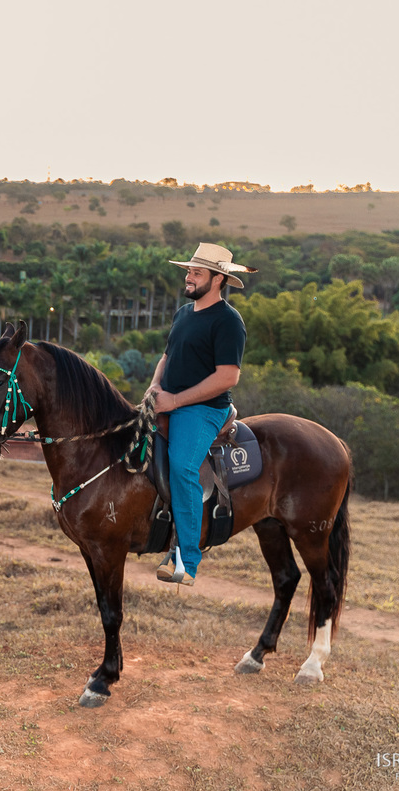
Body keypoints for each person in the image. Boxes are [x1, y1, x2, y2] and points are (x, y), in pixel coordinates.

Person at [146, 243, 254, 586]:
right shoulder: (183, 312)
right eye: (189, 272)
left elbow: (227, 377)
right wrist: (154, 387)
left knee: (182, 466)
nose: (189, 278)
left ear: (219, 279)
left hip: (204, 410)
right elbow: (167, 356)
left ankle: (186, 560)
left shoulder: (228, 322)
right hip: (166, 399)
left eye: (197, 273)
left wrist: (174, 402)